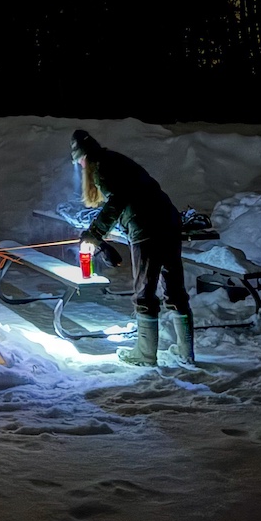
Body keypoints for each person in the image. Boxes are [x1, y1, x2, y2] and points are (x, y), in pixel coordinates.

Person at [70, 128, 194, 367]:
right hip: (168, 220)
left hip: (147, 228)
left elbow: (117, 200)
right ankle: (186, 351)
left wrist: (95, 233)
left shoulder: (102, 168)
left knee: (144, 291)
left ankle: (146, 355)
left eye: (81, 162)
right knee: (174, 289)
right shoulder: (116, 159)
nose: (82, 167)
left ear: (84, 157)